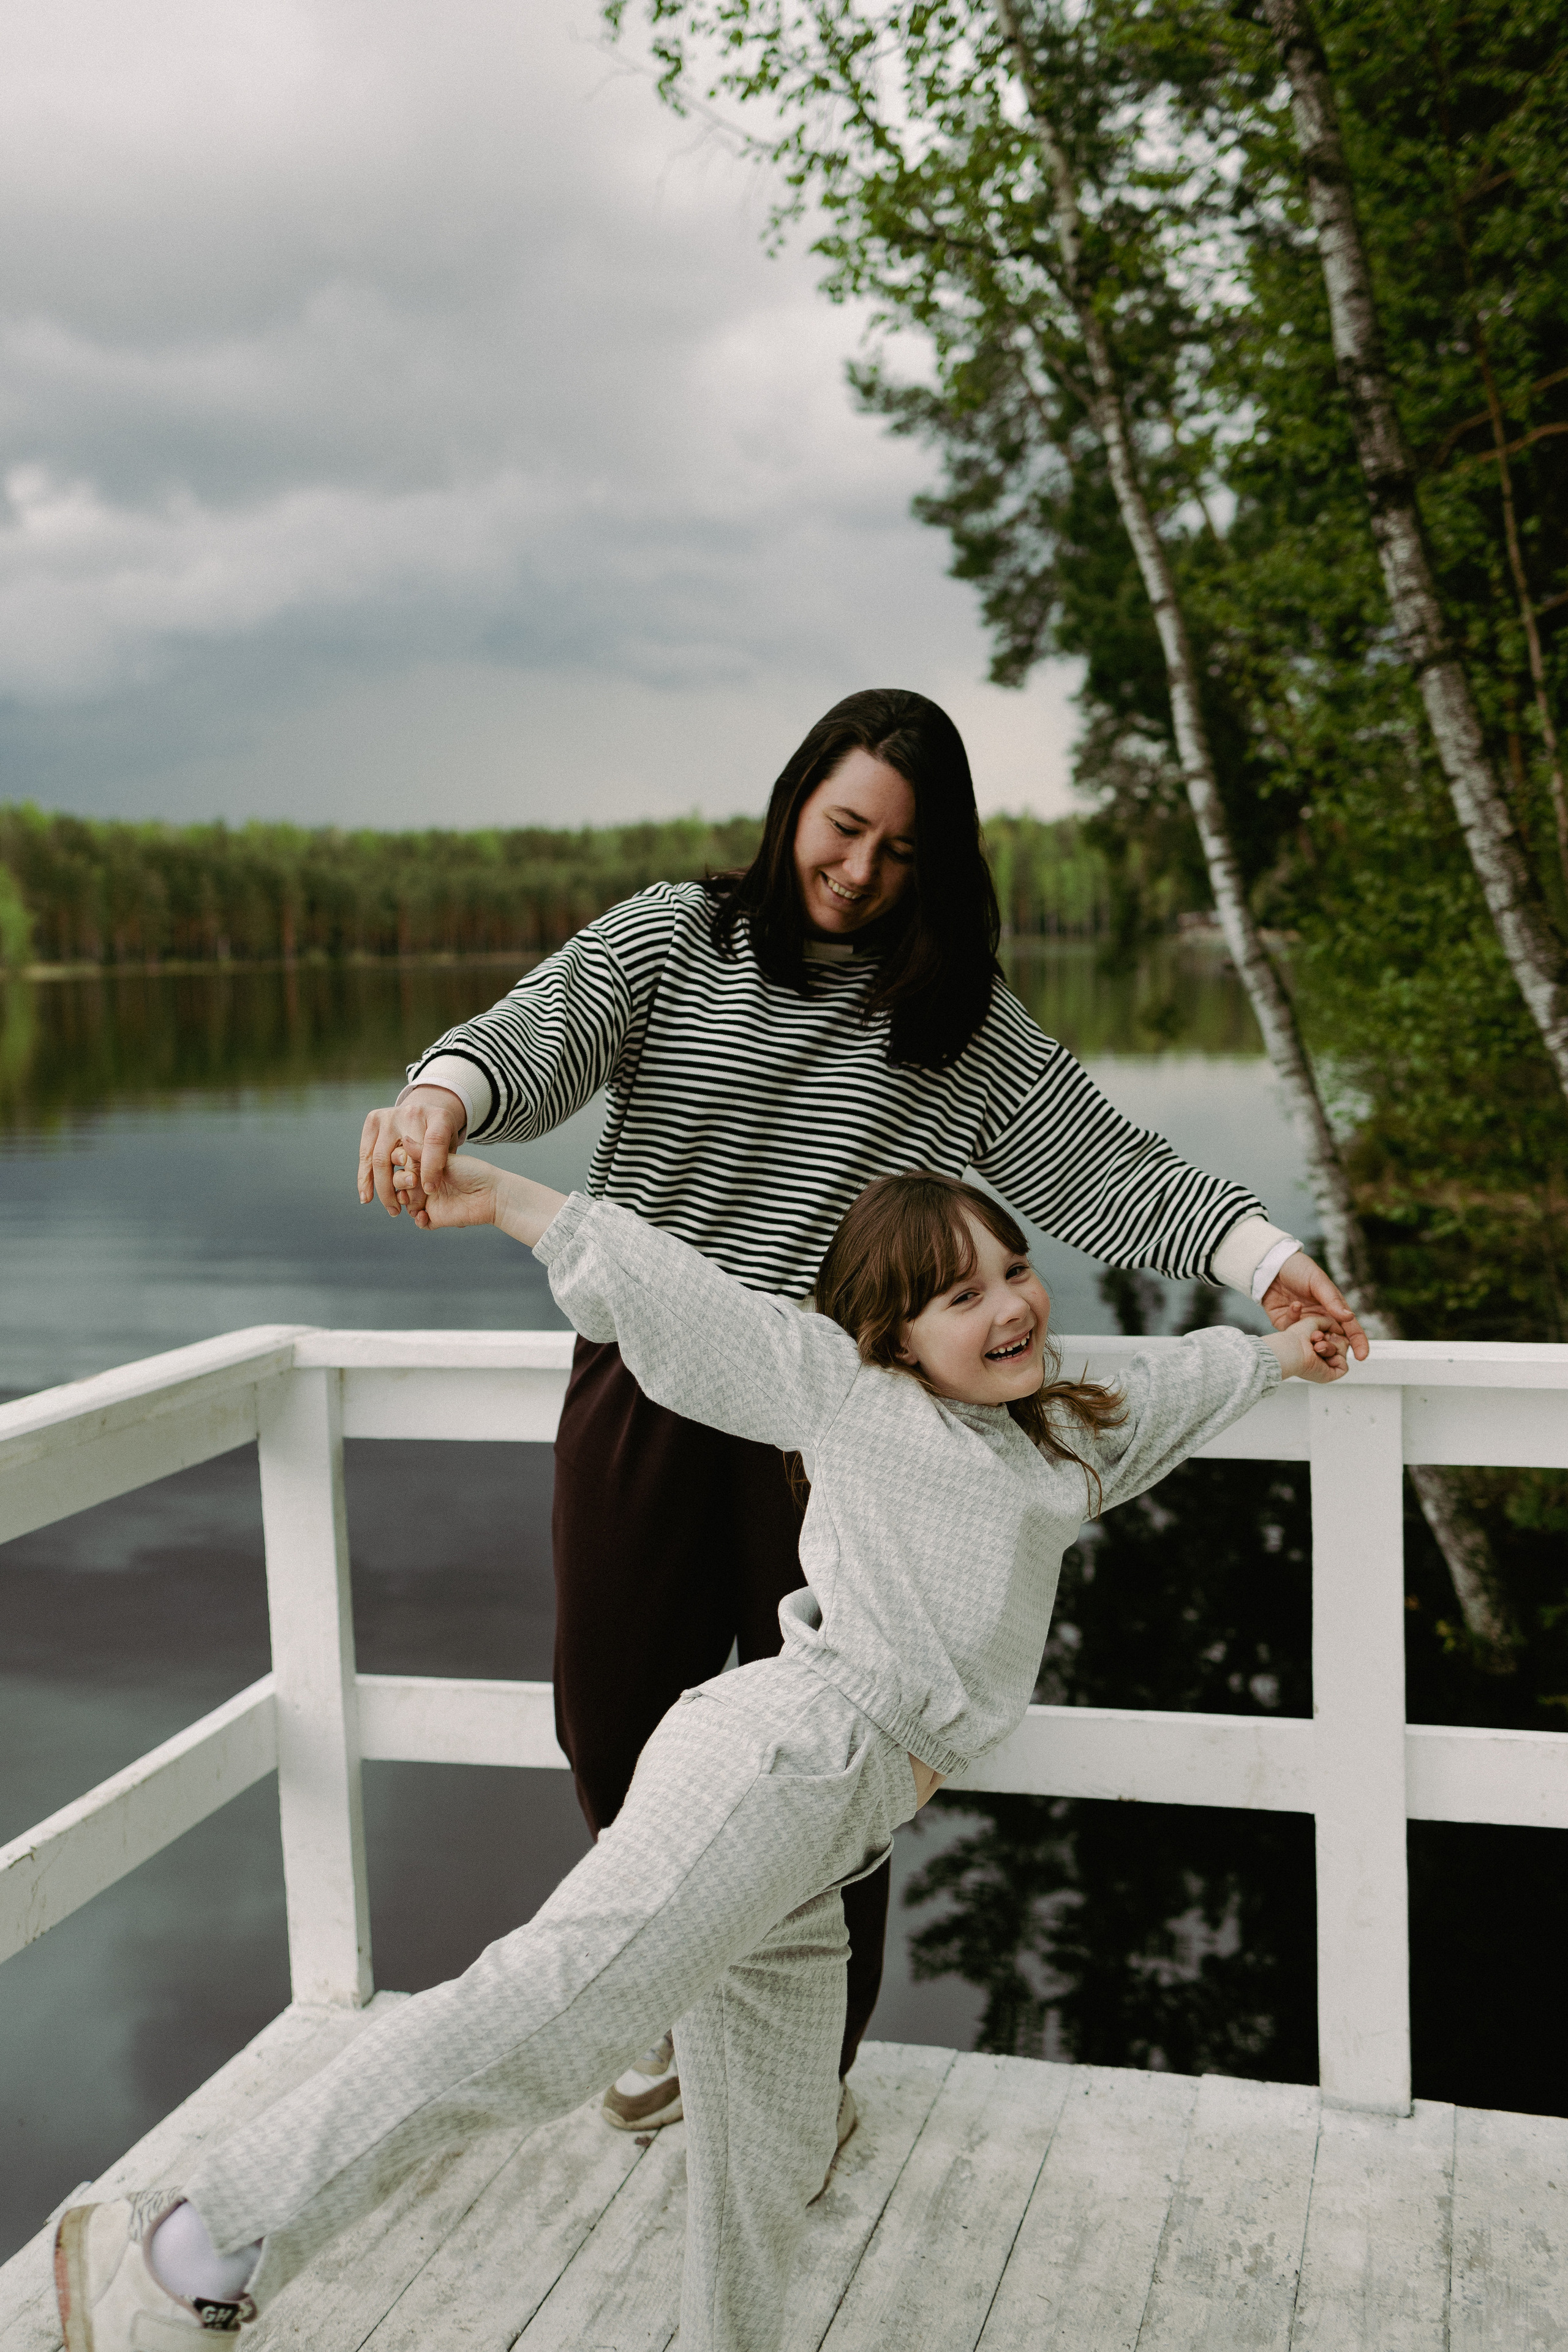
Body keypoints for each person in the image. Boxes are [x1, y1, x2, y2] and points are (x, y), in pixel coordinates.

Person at [54, 1158, 1349, 2352]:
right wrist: (514, 1200)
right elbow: (692, 1305)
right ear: (892, 1334)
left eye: (1013, 1269)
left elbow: (1169, 1394)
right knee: (552, 2018)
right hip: (780, 1761)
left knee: (768, 2151)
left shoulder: (1052, 1435)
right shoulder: (850, 1398)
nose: (1008, 1305)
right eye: (961, 1294)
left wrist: (1283, 1348)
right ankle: (186, 2240)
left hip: (829, 1835)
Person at [355, 687, 1367, 2126]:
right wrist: (443, 1099)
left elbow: (1109, 1165)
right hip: (648, 1389)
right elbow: (536, 1032)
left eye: (898, 852)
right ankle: (682, 1996)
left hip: (844, 1434)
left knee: (839, 1766)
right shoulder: (671, 940)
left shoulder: (953, 1019)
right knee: (611, 1718)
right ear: (795, 808)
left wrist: (1265, 1263)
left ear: (933, 863)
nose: (858, 872)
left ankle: (796, 2082)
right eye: (843, 830)